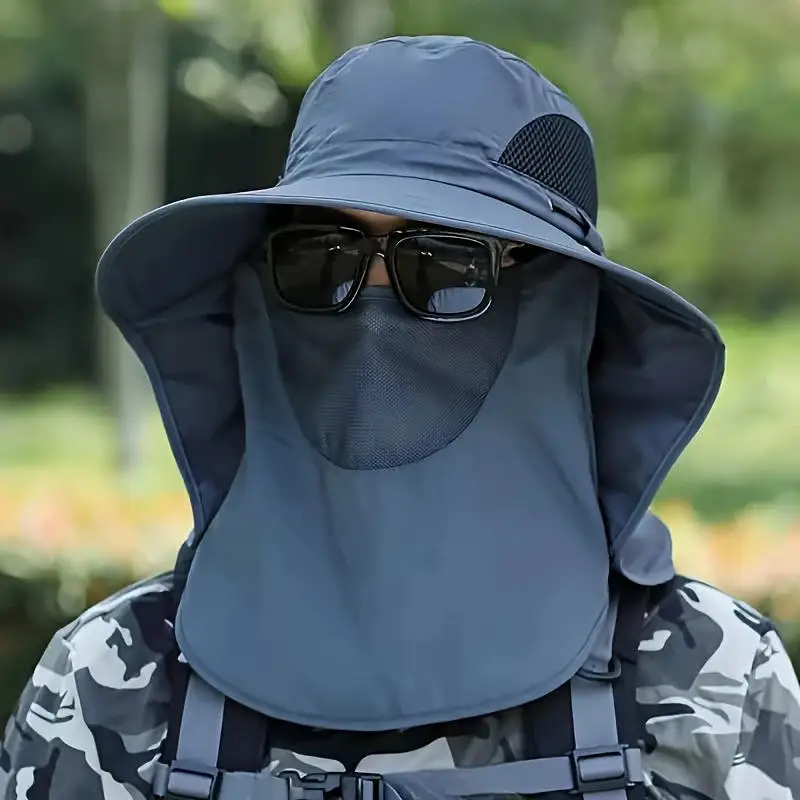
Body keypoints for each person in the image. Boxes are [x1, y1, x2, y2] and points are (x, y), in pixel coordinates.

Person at [2, 34, 799, 800]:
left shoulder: (714, 684)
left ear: (566, 306)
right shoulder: (109, 682)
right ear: (262, 296)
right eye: (323, 257)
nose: (372, 315)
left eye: (446, 263)